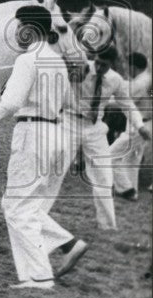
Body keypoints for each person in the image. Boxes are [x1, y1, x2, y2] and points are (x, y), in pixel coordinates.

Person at [0, 5, 80, 290]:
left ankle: (40, 276)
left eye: (20, 25)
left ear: (29, 28)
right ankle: (64, 245)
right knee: (19, 205)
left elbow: (10, 103)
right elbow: (69, 102)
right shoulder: (57, 60)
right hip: (54, 133)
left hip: (33, 134)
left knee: (17, 208)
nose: (18, 32)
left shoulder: (27, 60)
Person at [62, 46, 146, 229]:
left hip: (94, 128)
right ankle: (33, 213)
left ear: (112, 65)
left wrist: (139, 125)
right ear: (95, 58)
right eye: (97, 62)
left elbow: (128, 105)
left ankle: (107, 225)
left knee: (104, 177)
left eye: (104, 65)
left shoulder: (115, 79)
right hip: (70, 122)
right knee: (55, 168)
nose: (98, 67)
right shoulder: (82, 68)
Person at [109, 52, 152, 199]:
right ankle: (132, 192)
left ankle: (125, 189)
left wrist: (99, 102)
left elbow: (123, 101)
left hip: (140, 126)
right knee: (132, 160)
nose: (127, 69)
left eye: (128, 66)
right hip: (143, 123)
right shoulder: (146, 79)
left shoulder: (140, 83)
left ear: (133, 67)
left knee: (110, 155)